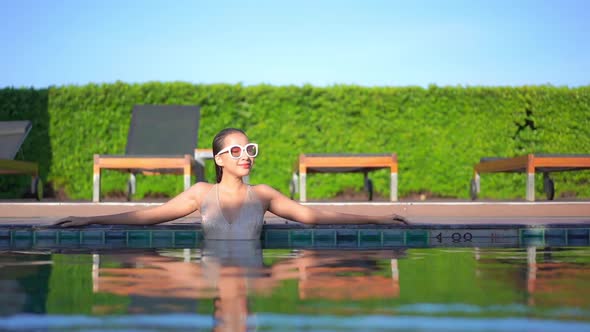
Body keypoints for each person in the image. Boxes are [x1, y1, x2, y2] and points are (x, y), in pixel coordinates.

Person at [53, 128, 408, 239]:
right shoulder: (201, 193)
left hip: (253, 271)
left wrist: (378, 220)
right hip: (213, 271)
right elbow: (149, 216)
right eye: (236, 150)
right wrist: (89, 219)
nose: (245, 155)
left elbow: (314, 217)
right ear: (219, 159)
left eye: (249, 148)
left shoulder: (264, 195)